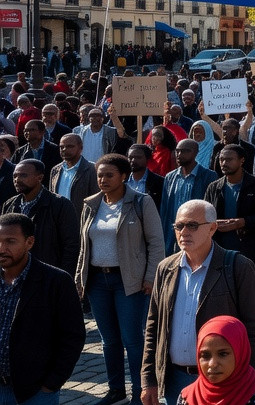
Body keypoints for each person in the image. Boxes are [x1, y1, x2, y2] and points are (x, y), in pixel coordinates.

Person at [141, 200, 255, 405]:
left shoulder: (238, 267)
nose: (184, 232)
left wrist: (246, 383)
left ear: (212, 228)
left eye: (192, 225)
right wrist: (148, 380)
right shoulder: (165, 268)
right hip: (174, 380)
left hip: (224, 383)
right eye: (179, 226)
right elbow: (153, 327)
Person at [74, 154, 164, 405]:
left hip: (129, 281)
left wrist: (150, 277)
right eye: (100, 175)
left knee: (132, 340)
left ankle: (140, 392)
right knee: (109, 340)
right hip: (97, 282)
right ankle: (116, 390)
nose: (103, 179)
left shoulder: (141, 202)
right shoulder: (91, 204)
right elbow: (84, 246)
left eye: (109, 175)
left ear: (123, 176)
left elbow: (156, 243)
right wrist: (79, 278)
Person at [0, 212, 84, 405]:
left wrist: (51, 384)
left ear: (29, 242)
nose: (2, 248)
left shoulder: (56, 282)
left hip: (34, 392)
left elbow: (73, 336)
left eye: (10, 241)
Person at [202, 145, 255, 282]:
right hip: (220, 251)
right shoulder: (214, 187)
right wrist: (214, 224)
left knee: (250, 290)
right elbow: (205, 216)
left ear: (242, 160)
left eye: (229, 159)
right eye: (221, 159)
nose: (224, 163)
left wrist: (243, 222)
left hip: (249, 251)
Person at [176, 316, 255, 405]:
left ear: (240, 353)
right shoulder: (187, 398)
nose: (212, 364)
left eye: (223, 354)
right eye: (205, 356)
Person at [1, 158, 79, 274]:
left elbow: (71, 246)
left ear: (40, 178)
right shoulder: (9, 205)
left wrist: (63, 278)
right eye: (15, 176)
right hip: (15, 274)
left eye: (23, 175)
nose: (17, 180)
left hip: (47, 275)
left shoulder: (60, 205)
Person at [160, 140, 217, 254]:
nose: (179, 154)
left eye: (185, 151)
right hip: (173, 232)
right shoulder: (170, 177)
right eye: (177, 151)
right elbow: (164, 208)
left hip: (196, 231)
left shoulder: (208, 176)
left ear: (195, 152)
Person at [49, 131, 96, 214]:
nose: (64, 149)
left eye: (70, 146)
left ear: (81, 148)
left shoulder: (92, 169)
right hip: (59, 218)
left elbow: (96, 199)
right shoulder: (55, 170)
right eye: (61, 147)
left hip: (80, 218)